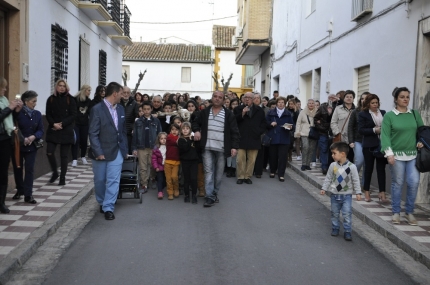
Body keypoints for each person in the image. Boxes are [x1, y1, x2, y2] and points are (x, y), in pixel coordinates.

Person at [381, 87, 424, 225]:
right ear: (395, 99)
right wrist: (389, 153)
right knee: (397, 183)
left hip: (413, 155)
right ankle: (396, 212)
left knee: (414, 182)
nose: (405, 99)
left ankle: (409, 212)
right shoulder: (389, 116)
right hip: (396, 155)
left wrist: (420, 142)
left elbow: (422, 132)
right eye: (402, 97)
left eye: (407, 97)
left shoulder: (414, 114)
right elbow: (385, 136)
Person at [192, 91, 240, 207]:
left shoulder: (229, 114)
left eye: (220, 97)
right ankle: (209, 197)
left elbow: (234, 132)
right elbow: (194, 123)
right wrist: (197, 131)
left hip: (222, 149)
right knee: (208, 172)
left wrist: (234, 147)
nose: (217, 99)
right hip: (207, 147)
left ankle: (214, 193)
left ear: (223, 100)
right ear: (212, 98)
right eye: (215, 96)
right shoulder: (204, 112)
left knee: (218, 175)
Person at [88, 82, 128, 220]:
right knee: (100, 180)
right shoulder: (97, 109)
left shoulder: (121, 109)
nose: (123, 96)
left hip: (117, 151)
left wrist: (125, 149)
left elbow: (123, 131)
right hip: (101, 152)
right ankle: (101, 201)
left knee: (113, 180)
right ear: (115, 93)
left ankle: (108, 207)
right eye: (122, 93)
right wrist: (98, 152)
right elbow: (93, 133)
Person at [320, 142, 362, 241]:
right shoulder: (333, 165)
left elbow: (356, 180)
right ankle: (335, 228)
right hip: (334, 195)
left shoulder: (352, 167)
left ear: (342, 154)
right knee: (334, 213)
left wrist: (358, 192)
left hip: (346, 195)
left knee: (347, 213)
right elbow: (328, 178)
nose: (332, 155)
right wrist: (324, 188)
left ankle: (347, 231)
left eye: (334, 153)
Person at [11, 91, 44, 203]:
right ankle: (20, 190)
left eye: (36, 101)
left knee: (29, 169)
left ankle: (28, 195)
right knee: (18, 169)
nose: (35, 103)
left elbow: (41, 130)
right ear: (26, 102)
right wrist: (23, 139)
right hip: (18, 146)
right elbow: (13, 126)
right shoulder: (18, 113)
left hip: (31, 146)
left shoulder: (37, 114)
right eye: (33, 101)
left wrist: (34, 136)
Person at [46, 79, 77, 186]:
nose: (62, 87)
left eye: (64, 86)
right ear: (56, 87)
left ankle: (62, 177)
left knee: (64, 156)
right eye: (60, 85)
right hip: (53, 129)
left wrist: (62, 123)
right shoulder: (50, 99)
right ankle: (55, 172)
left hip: (66, 130)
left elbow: (73, 115)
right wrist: (53, 124)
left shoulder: (71, 99)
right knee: (49, 151)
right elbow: (48, 114)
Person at [358, 94, 387, 203]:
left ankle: (382, 192)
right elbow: (361, 130)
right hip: (369, 145)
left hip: (382, 145)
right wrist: (374, 130)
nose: (375, 105)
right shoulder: (363, 114)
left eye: (376, 103)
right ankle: (366, 191)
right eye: (373, 103)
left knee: (381, 169)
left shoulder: (383, 113)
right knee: (368, 168)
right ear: (368, 104)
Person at [0, 77, 23, 213]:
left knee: (3, 172)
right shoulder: (5, 103)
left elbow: (8, 119)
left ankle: (1, 202)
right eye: (3, 87)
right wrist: (10, 108)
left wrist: (16, 110)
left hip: (5, 139)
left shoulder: (4, 100)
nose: (5, 89)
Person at [234, 92, 266, 184]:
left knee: (251, 160)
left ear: (252, 99)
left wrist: (258, 132)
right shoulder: (238, 109)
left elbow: (263, 124)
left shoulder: (259, 110)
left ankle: (247, 176)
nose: (247, 99)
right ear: (243, 99)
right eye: (245, 97)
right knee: (240, 159)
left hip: (254, 138)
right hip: (241, 137)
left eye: (249, 97)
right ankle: (240, 176)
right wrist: (242, 114)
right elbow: (233, 121)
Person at [132, 101, 162, 193]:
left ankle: (152, 178)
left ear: (151, 109)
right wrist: (134, 148)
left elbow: (159, 134)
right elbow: (135, 135)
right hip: (142, 147)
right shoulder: (138, 121)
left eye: (148, 109)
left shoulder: (156, 121)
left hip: (153, 147)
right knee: (143, 167)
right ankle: (144, 184)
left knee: (153, 165)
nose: (146, 111)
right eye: (144, 109)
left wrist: (159, 146)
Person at [266, 96, 294, 182]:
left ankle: (281, 174)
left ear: (284, 104)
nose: (281, 104)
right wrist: (271, 124)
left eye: (282, 102)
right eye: (279, 102)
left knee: (283, 157)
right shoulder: (271, 112)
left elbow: (293, 126)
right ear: (276, 103)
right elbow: (265, 123)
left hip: (284, 137)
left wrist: (288, 127)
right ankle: (273, 171)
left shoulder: (288, 113)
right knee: (273, 156)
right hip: (273, 137)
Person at [347, 92, 369, 179]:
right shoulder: (355, 112)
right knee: (359, 160)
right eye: (362, 98)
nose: (364, 100)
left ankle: (364, 185)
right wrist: (351, 141)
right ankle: (353, 179)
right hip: (358, 140)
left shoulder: (373, 112)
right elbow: (350, 127)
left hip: (369, 141)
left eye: (366, 99)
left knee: (367, 163)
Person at [330, 90, 356, 163]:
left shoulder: (356, 110)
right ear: (344, 98)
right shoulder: (338, 108)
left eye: (351, 97)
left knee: (350, 159)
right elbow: (333, 122)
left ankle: (348, 174)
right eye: (347, 97)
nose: (349, 98)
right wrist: (337, 133)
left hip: (352, 139)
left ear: (353, 99)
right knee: (339, 159)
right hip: (340, 138)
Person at [177, 122, 199, 204]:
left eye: (187, 128)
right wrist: (190, 140)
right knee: (186, 179)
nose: (185, 130)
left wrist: (194, 139)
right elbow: (185, 148)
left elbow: (198, 148)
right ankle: (186, 195)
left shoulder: (194, 138)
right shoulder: (181, 140)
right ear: (181, 130)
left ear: (190, 129)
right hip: (185, 161)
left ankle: (194, 195)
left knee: (194, 178)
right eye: (183, 129)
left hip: (194, 161)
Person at [71, 84, 92, 167]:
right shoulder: (75, 99)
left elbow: (90, 112)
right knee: (76, 141)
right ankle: (74, 159)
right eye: (88, 90)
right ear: (84, 90)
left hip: (85, 123)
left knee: (84, 141)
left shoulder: (89, 101)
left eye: (90, 91)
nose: (89, 92)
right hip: (76, 123)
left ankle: (83, 156)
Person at [295, 99, 318, 171]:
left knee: (311, 148)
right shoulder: (303, 112)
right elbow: (298, 122)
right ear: (307, 104)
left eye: (312, 103)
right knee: (305, 147)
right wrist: (297, 132)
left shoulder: (317, 112)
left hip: (313, 132)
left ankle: (308, 164)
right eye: (309, 103)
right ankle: (304, 164)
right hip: (304, 132)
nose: (311, 104)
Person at [314, 102, 332, 175]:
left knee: (331, 150)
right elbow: (315, 119)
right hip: (323, 133)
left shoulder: (337, 107)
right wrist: (322, 128)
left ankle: (330, 167)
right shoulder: (323, 107)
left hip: (333, 132)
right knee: (323, 149)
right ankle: (324, 167)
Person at [120, 86, 139, 155]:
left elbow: (136, 117)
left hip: (129, 131)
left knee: (128, 150)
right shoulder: (118, 102)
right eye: (124, 92)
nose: (126, 94)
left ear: (130, 94)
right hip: (119, 130)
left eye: (128, 93)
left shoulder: (134, 103)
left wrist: (133, 128)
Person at [165, 124, 180, 200]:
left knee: (174, 177)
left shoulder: (179, 138)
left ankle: (176, 188)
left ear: (179, 131)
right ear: (170, 131)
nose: (174, 131)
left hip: (176, 162)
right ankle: (170, 193)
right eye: (173, 129)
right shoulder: (169, 137)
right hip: (167, 161)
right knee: (168, 179)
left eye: (176, 130)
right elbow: (176, 142)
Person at [152, 132, 167, 199]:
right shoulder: (156, 149)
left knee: (165, 180)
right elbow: (154, 159)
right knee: (160, 179)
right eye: (161, 139)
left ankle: (163, 187)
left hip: (167, 166)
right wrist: (156, 167)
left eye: (165, 138)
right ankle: (160, 192)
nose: (163, 140)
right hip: (159, 167)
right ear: (159, 140)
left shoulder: (168, 147)